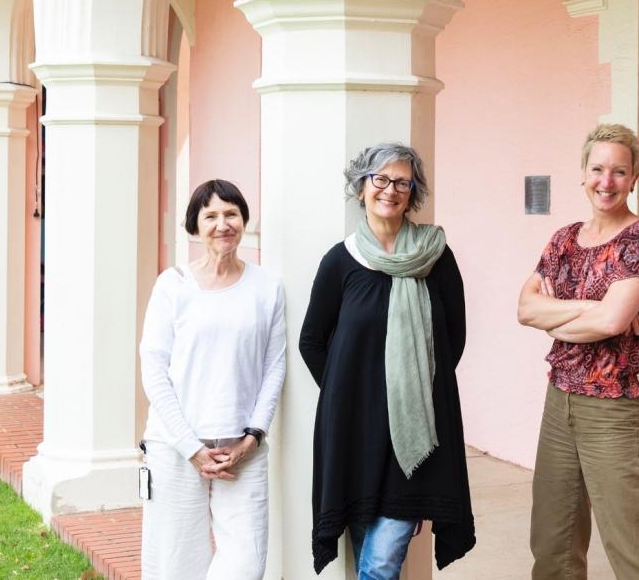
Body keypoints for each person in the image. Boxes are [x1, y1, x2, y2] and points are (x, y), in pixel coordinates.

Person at [299, 142, 475, 578]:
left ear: (411, 192)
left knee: (380, 562)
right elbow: (312, 341)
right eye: (380, 179)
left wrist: (409, 394)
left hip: (414, 430)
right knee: (367, 551)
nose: (390, 190)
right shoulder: (340, 262)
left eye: (402, 181)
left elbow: (453, 339)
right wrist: (351, 394)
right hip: (354, 432)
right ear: (361, 188)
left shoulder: (435, 256)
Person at [518, 124, 639, 580]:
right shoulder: (564, 239)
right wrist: (591, 308)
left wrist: (561, 311)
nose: (605, 181)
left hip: (612, 410)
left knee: (635, 547)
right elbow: (525, 309)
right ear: (583, 173)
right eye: (597, 169)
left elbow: (612, 324)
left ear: (634, 178)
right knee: (553, 543)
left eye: (618, 171)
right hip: (559, 401)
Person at [139, 179, 286, 580]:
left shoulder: (267, 286)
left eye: (231, 214)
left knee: (246, 565)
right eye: (211, 216)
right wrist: (190, 446)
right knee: (177, 565)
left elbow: (275, 367)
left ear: (244, 221)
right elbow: (153, 368)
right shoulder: (173, 285)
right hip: (175, 449)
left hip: (244, 449)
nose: (223, 224)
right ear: (195, 227)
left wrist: (253, 436)